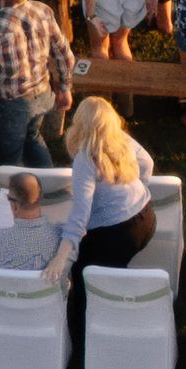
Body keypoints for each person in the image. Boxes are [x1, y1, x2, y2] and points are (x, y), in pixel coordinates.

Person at [0, 0, 72, 170]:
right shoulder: (43, 11)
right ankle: (49, 179)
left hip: (14, 102)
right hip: (43, 92)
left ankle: (12, 186)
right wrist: (65, 87)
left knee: (10, 155)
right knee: (32, 135)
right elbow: (64, 53)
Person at [60, 97, 158, 268]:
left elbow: (80, 215)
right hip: (146, 217)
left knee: (84, 271)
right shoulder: (121, 139)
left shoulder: (85, 159)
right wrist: (136, 190)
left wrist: (60, 257)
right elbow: (146, 163)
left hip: (119, 233)